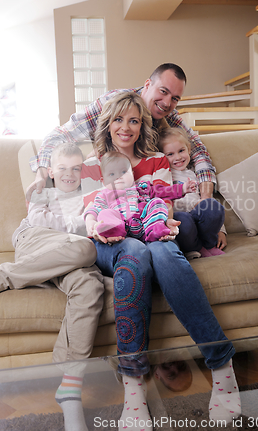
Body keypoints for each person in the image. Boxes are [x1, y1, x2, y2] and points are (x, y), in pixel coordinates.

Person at [87, 91, 241, 429]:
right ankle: (134, 389)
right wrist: (97, 228)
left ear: (142, 125)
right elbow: (89, 212)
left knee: (158, 249)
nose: (125, 127)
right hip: (109, 240)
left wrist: (164, 224)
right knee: (135, 251)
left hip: (152, 230)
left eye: (133, 120)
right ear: (107, 124)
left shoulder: (157, 160)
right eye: (118, 119)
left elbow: (164, 207)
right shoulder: (93, 164)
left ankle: (221, 367)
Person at [0, 143, 105, 431]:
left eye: (75, 168)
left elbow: (98, 211)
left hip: (64, 255)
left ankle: (70, 390)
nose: (69, 174)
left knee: (90, 286)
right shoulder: (42, 190)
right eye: (62, 169)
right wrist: (77, 225)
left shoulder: (90, 193)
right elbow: (40, 221)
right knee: (86, 248)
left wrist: (75, 224)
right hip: (35, 242)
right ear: (50, 172)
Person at [27, 63, 216, 207]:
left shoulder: (169, 117)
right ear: (148, 84)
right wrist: (41, 174)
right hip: (107, 194)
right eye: (163, 91)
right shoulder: (114, 103)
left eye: (175, 98)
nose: (167, 103)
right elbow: (59, 135)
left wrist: (206, 201)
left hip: (149, 199)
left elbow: (198, 150)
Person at [85, 150, 195, 242]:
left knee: (157, 202)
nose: (118, 177)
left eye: (123, 172)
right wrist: (91, 222)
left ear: (132, 174)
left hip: (144, 224)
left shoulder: (142, 188)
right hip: (122, 226)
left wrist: (183, 188)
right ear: (103, 181)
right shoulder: (104, 194)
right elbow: (95, 208)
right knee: (105, 213)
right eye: (112, 174)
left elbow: (163, 191)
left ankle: (156, 228)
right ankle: (112, 229)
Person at [158, 127, 226, 259]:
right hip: (181, 220)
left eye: (181, 151)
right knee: (183, 220)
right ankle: (195, 248)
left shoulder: (194, 173)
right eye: (170, 154)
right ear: (161, 156)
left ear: (189, 149)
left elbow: (207, 202)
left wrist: (221, 231)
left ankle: (209, 245)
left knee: (213, 205)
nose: (178, 157)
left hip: (198, 218)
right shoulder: (165, 174)